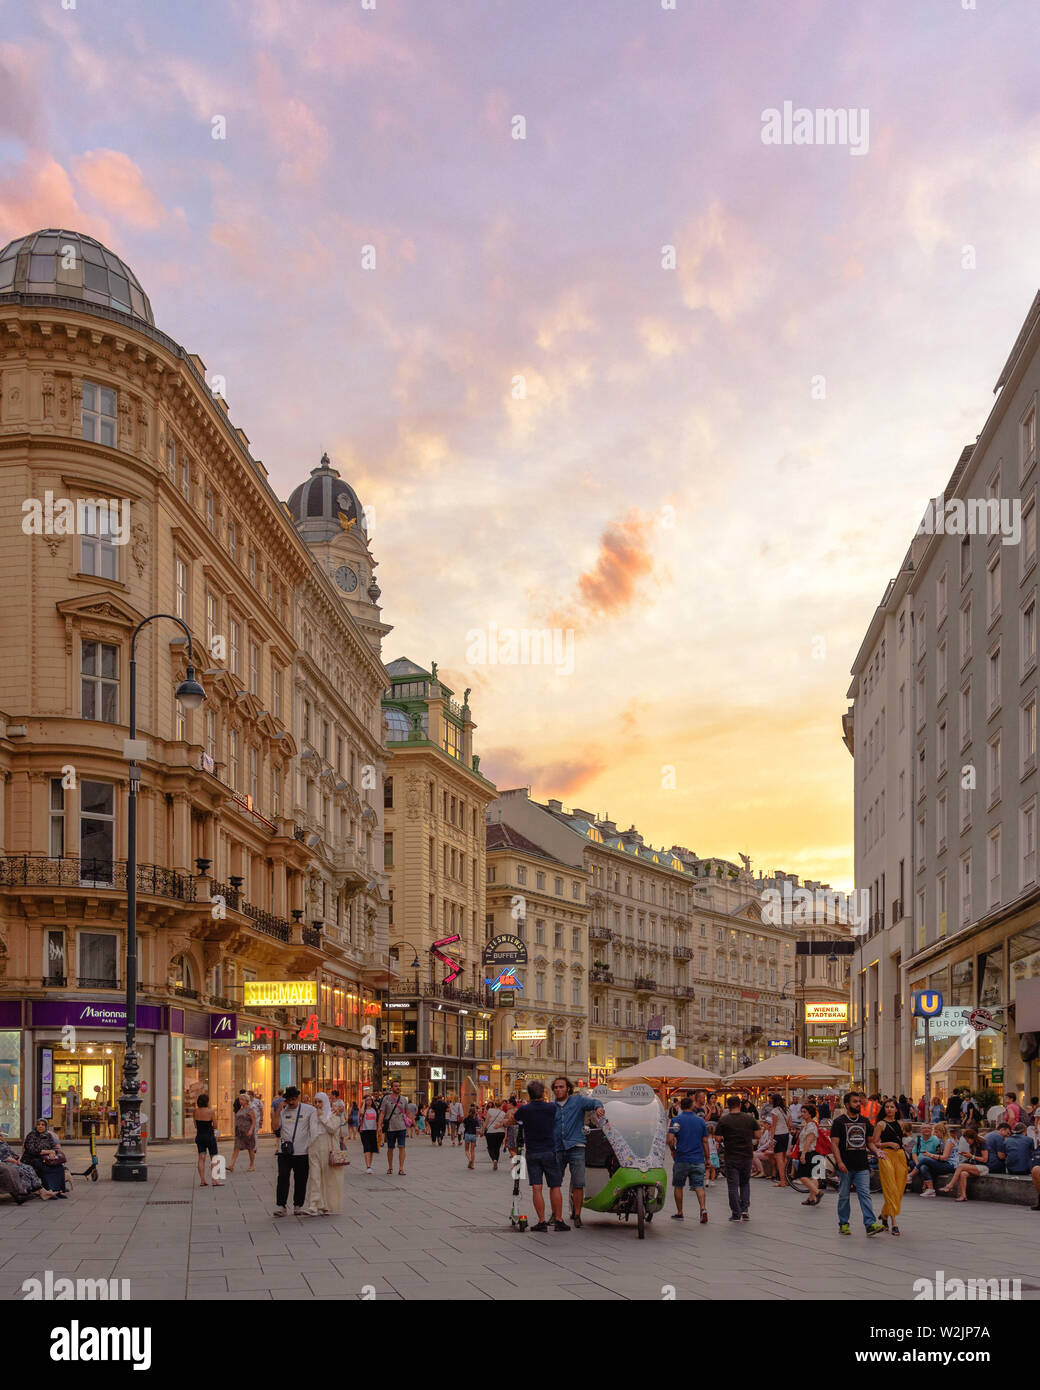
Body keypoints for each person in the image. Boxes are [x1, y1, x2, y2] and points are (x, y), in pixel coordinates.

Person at [515, 1079, 569, 1232]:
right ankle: (558, 1220)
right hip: (549, 1151)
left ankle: (541, 1221)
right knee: (555, 1186)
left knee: (537, 1188)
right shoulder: (551, 1107)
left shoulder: (525, 1110)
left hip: (533, 1152)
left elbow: (514, 1119)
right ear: (544, 1093)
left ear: (530, 1094)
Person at [550, 1076, 605, 1227]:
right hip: (558, 1148)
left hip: (576, 1146)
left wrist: (599, 1107)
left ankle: (577, 1215)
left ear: (568, 1088)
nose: (558, 1090)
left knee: (579, 1183)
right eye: (555, 1087)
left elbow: (594, 1102)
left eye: (561, 1087)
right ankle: (555, 1214)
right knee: (555, 1183)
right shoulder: (551, 1106)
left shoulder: (577, 1101)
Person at [831, 1092, 884, 1236]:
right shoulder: (839, 1122)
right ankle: (843, 1224)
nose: (858, 1104)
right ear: (847, 1105)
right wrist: (840, 1162)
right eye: (854, 1102)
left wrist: (877, 1152)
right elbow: (834, 1144)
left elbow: (869, 1142)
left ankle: (870, 1224)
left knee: (865, 1194)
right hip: (845, 1166)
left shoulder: (865, 1121)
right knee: (844, 1196)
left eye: (859, 1102)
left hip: (862, 1165)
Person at [715, 1094, 760, 1222]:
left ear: (728, 1106)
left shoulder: (724, 1120)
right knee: (745, 1183)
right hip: (747, 1155)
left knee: (733, 1185)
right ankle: (745, 1210)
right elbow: (758, 1135)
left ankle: (736, 1213)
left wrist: (725, 1137)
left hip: (731, 1155)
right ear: (740, 1105)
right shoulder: (749, 1118)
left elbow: (717, 1138)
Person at [274, 1085, 317, 1216]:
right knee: (282, 1177)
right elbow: (275, 1127)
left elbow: (315, 1127)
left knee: (301, 1179)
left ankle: (298, 1205)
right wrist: (278, 1110)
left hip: (302, 1151)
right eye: (289, 1099)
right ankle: (281, 1206)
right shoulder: (283, 1110)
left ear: (298, 1097)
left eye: (293, 1099)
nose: (291, 1102)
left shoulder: (309, 1109)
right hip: (285, 1151)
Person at [668, 1095, 710, 1222]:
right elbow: (705, 1141)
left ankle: (680, 1212)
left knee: (678, 1186)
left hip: (681, 1158)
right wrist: (707, 1158)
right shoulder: (701, 1121)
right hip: (698, 1159)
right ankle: (703, 1209)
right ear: (692, 1107)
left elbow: (669, 1139)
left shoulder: (676, 1120)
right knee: (699, 1186)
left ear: (681, 1107)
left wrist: (673, 1151)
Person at [871, 1098, 907, 1235]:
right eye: (887, 1107)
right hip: (886, 1155)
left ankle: (884, 1215)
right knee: (890, 1187)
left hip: (900, 1156)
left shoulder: (900, 1123)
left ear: (896, 1109)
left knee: (898, 1188)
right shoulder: (881, 1124)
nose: (889, 1109)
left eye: (892, 1107)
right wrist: (888, 1144)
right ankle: (894, 1222)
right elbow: (874, 1143)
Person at [304, 1092, 340, 1216]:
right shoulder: (312, 1114)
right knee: (314, 1175)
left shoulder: (333, 1114)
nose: (318, 1105)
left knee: (326, 1176)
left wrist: (322, 1117)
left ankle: (325, 1204)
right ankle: (314, 1204)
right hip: (314, 1145)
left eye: (320, 1102)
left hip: (327, 1146)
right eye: (316, 1102)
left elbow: (332, 1128)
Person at [21, 1118, 69, 1197]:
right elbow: (31, 1150)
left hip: (46, 1158)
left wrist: (53, 1153)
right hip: (31, 1159)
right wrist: (46, 1152)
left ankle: (58, 1191)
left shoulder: (48, 1135)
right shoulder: (31, 1135)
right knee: (45, 1167)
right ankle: (49, 1191)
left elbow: (54, 1147)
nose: (40, 1126)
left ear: (46, 1126)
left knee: (59, 1167)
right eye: (38, 1124)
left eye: (43, 1125)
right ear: (36, 1126)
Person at [379, 1081, 416, 1175]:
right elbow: (382, 1113)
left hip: (402, 1126)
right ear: (391, 1088)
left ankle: (401, 1168)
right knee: (390, 1148)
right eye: (395, 1086)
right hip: (390, 1127)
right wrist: (379, 1125)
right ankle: (390, 1167)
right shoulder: (386, 1099)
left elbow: (408, 1112)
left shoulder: (403, 1099)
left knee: (402, 1147)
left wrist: (415, 1125)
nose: (398, 1088)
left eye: (399, 1086)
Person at [940, 1129, 987, 1201]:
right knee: (963, 1173)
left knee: (960, 1166)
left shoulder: (982, 1143)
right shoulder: (972, 1145)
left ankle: (950, 1185)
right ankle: (963, 1196)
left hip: (984, 1167)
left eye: (968, 1140)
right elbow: (971, 1157)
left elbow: (985, 1159)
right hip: (975, 1166)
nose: (967, 1142)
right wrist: (967, 1156)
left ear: (972, 1138)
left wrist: (972, 1156)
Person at [795, 1104, 821, 1206]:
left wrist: (803, 1154)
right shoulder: (808, 1125)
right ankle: (811, 1198)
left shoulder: (811, 1125)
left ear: (810, 1114)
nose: (802, 1114)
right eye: (802, 1112)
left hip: (808, 1152)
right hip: (811, 1153)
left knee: (802, 1176)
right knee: (812, 1177)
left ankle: (818, 1193)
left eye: (804, 1112)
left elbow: (809, 1141)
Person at [193, 1094, 220, 1187]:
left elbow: (195, 1125)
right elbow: (215, 1125)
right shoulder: (211, 1111)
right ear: (207, 1102)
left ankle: (202, 1180)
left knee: (201, 1157)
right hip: (209, 1136)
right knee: (214, 1157)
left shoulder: (195, 1111)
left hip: (200, 1136)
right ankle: (214, 1180)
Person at [767, 1093, 792, 1188]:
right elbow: (790, 1124)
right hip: (786, 1135)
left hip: (778, 1135)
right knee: (784, 1158)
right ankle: (785, 1179)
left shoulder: (775, 1111)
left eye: (771, 1099)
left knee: (779, 1159)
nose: (770, 1101)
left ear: (774, 1101)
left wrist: (771, 1139)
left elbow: (773, 1126)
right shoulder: (787, 1110)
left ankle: (782, 1181)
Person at [229, 1092, 256, 1173]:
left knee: (250, 1149)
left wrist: (251, 1130)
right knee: (236, 1148)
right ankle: (231, 1165)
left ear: (247, 1101)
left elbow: (254, 1121)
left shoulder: (250, 1110)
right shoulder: (240, 1109)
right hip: (239, 1133)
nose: (240, 1101)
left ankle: (252, 1165)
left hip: (247, 1132)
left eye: (242, 1099)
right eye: (240, 1099)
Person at [480, 1097, 508, 1170]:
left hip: (491, 1131)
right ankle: (496, 1161)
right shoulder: (503, 1113)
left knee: (490, 1148)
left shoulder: (490, 1110)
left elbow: (486, 1122)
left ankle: (494, 1160)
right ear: (501, 1105)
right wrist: (505, 1135)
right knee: (497, 1148)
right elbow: (504, 1124)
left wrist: (482, 1131)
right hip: (500, 1132)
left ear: (494, 1104)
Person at [358, 1093, 380, 1174]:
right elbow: (361, 1113)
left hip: (373, 1131)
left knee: (371, 1150)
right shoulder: (363, 1109)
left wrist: (378, 1129)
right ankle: (368, 1166)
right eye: (367, 1100)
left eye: (370, 1100)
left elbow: (377, 1121)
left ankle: (369, 1165)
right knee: (367, 1148)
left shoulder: (374, 1110)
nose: (369, 1101)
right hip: (364, 1131)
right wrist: (363, 1103)